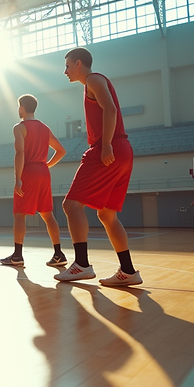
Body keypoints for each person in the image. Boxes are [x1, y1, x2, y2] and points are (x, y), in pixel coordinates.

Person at [53, 47, 141, 286]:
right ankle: (128, 270)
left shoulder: (93, 79)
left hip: (108, 148)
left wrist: (105, 147)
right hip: (123, 151)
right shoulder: (93, 82)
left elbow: (110, 109)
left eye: (68, 66)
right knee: (107, 214)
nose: (65, 71)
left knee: (71, 205)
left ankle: (81, 264)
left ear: (79, 63)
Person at [0, 94, 68, 268]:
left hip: (29, 170)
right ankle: (58, 253)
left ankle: (17, 255)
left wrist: (18, 179)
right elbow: (61, 151)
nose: (18, 109)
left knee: (19, 214)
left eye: (18, 106)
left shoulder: (20, 127)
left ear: (22, 107)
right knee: (47, 214)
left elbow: (20, 154)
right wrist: (46, 165)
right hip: (43, 172)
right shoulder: (45, 128)